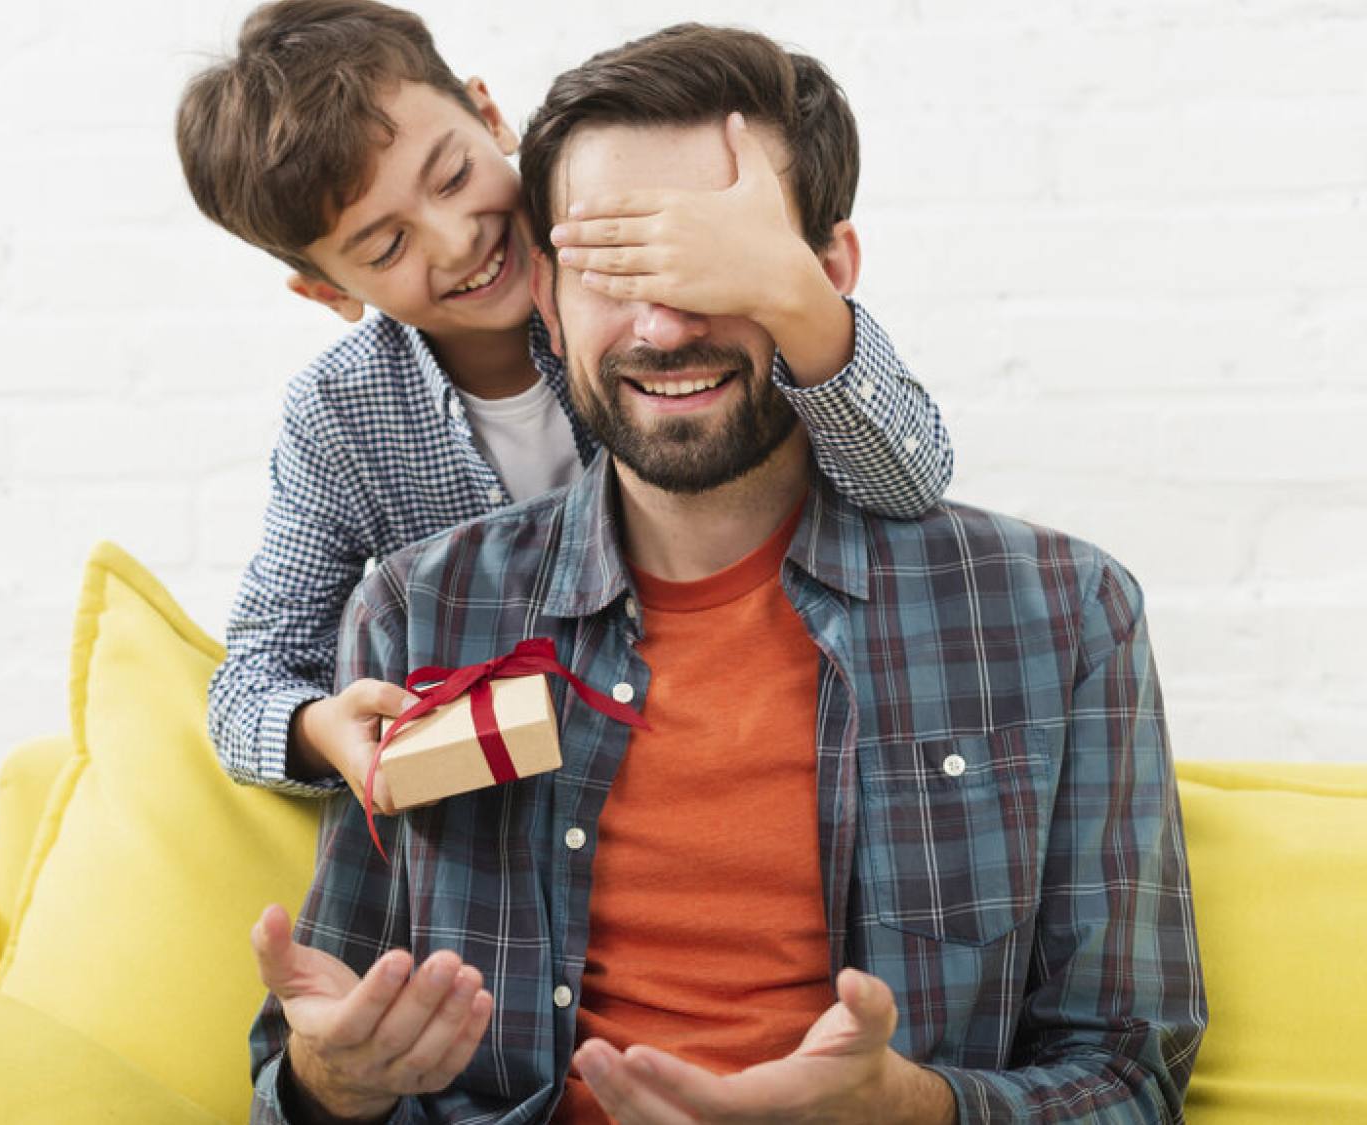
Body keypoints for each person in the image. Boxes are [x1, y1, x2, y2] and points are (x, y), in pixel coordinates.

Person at [247, 22, 1204, 1124]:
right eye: (612, 268)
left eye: (714, 266)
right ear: (546, 301)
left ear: (825, 276)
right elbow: (303, 1068)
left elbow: (1130, 1076)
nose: (662, 323)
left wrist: (910, 1109)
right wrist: (334, 1082)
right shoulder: (421, 610)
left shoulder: (1058, 614)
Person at [176, 0, 954, 810]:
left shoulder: (659, 294)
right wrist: (317, 730)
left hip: (756, 721)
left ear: (488, 114)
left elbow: (909, 481)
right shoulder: (341, 414)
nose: (456, 238)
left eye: (451, 176)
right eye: (386, 246)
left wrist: (793, 290)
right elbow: (253, 674)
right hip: (546, 803)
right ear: (328, 290)